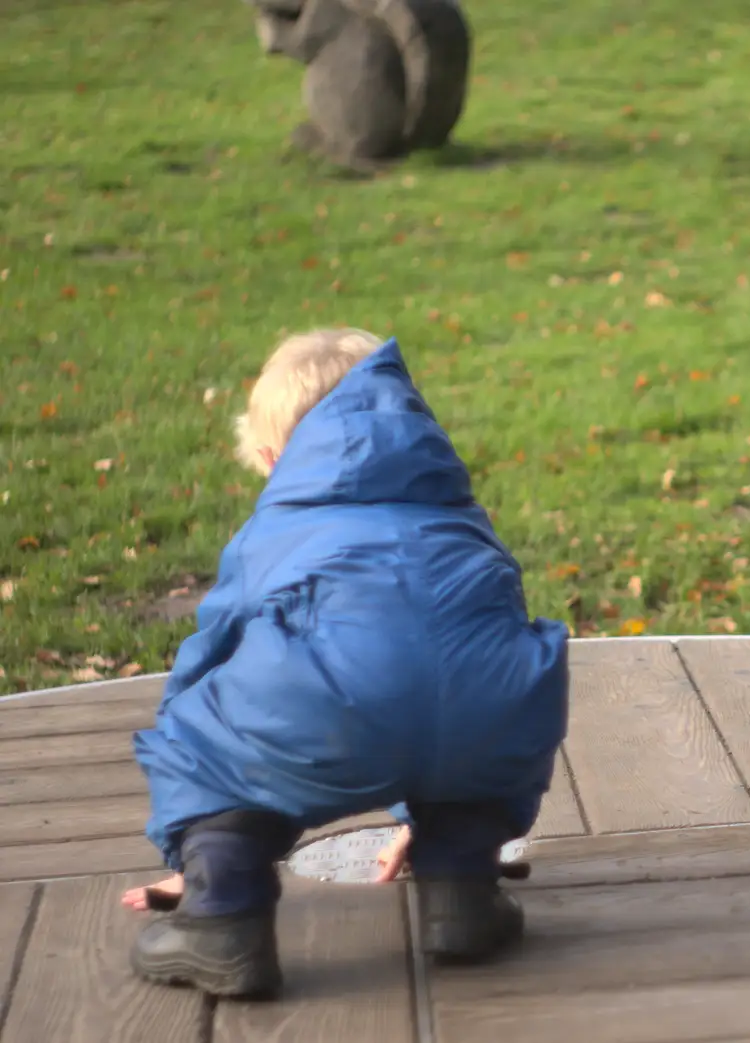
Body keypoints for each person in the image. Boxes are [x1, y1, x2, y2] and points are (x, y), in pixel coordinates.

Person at [124, 328, 569, 998]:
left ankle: (222, 913)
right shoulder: (460, 515)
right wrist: (425, 790)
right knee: (474, 700)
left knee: (204, 730)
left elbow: (208, 658)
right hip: (485, 728)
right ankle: (461, 886)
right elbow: (439, 661)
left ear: (275, 458)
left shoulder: (271, 535)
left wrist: (188, 838)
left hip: (314, 727)